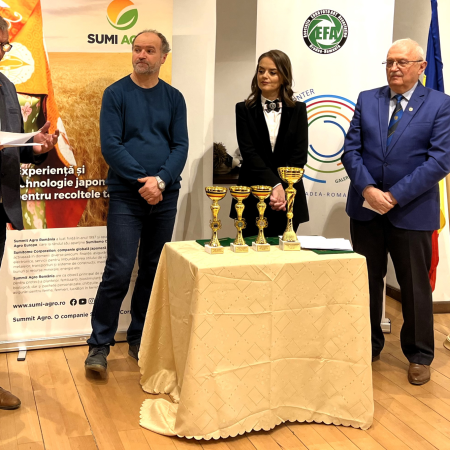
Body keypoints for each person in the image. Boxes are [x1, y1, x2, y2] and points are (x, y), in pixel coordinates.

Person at [342, 38, 450, 385]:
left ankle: (419, 355)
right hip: (366, 209)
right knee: (367, 282)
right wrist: (368, 190)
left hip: (412, 211)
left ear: (421, 67)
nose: (394, 68)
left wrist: (395, 195)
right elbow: (350, 151)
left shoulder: (440, 104)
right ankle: (368, 345)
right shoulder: (367, 99)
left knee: (414, 286)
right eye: (389, 62)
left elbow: (440, 160)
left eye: (402, 62)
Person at [85, 29, 188, 373]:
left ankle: (139, 338)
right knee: (118, 269)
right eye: (137, 49)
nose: (141, 55)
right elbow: (111, 145)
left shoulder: (174, 98)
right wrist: (144, 181)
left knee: (153, 269)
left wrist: (161, 181)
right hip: (127, 195)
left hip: (165, 195)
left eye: (149, 50)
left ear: (163, 57)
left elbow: (180, 146)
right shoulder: (116, 94)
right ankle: (99, 345)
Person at [0, 15, 59, 409]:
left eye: (5, 45)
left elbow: (14, 149)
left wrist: (35, 148)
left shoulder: (7, 85)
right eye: (1, 44)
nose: (4, 51)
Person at [230, 50, 309, 237]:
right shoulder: (243, 109)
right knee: (250, 252)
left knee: (285, 254)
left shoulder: (298, 109)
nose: (264, 76)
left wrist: (283, 191)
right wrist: (275, 186)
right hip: (252, 195)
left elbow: (299, 156)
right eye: (261, 71)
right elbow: (249, 153)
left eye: (272, 72)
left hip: (287, 198)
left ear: (284, 76)